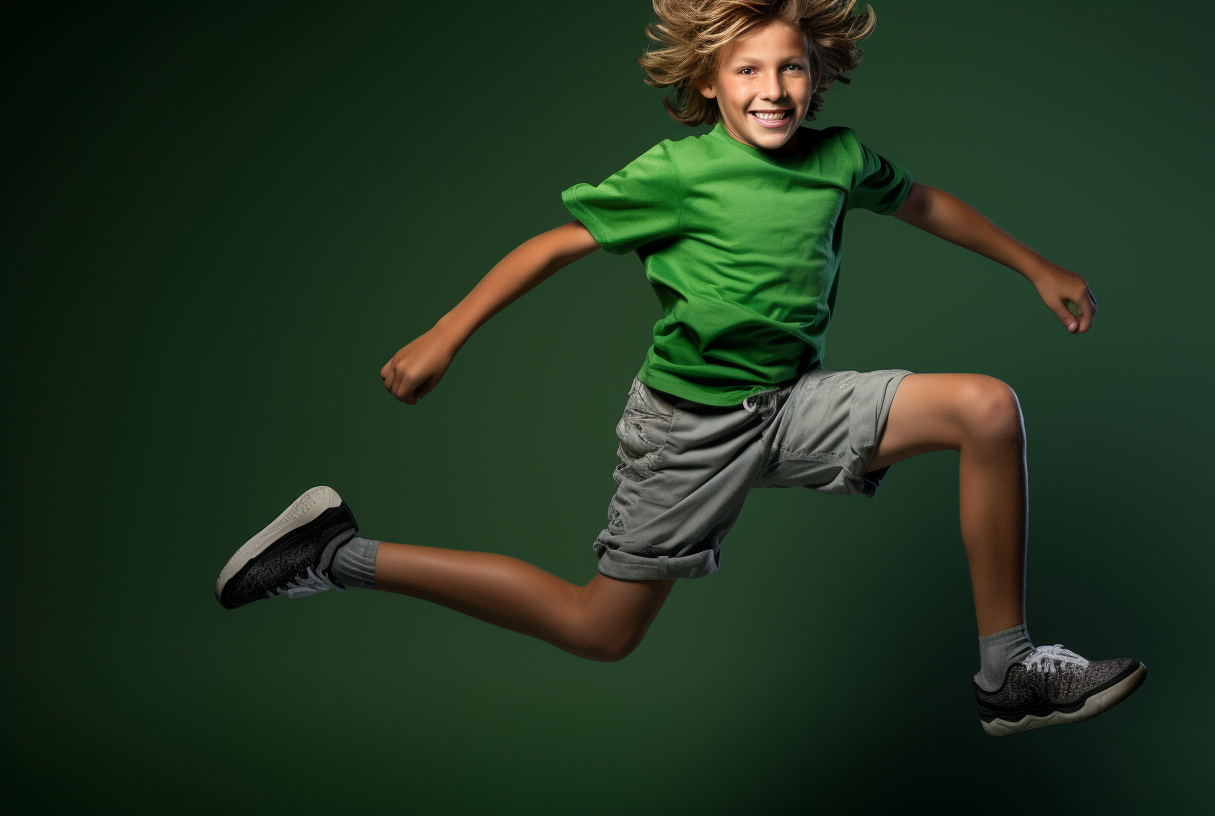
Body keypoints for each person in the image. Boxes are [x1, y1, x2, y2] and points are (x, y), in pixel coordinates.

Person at [213, 0, 1145, 737]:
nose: (772, 88)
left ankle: (1007, 673)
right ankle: (335, 552)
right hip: (687, 430)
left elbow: (928, 203)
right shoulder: (678, 171)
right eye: (748, 69)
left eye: (790, 67)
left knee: (986, 408)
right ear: (710, 79)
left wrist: (1036, 265)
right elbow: (551, 246)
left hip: (792, 404)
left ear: (817, 74)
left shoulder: (839, 161)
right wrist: (445, 333)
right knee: (598, 632)